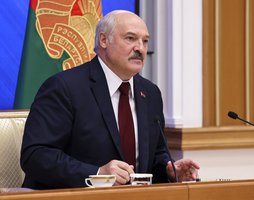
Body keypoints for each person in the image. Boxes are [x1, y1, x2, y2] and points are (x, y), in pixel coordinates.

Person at [20, 10, 200, 189]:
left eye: (145, 41)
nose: (140, 48)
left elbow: (155, 156)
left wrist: (170, 171)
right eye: (130, 38)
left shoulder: (150, 93)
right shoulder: (64, 88)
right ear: (104, 40)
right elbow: (35, 156)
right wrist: (98, 174)